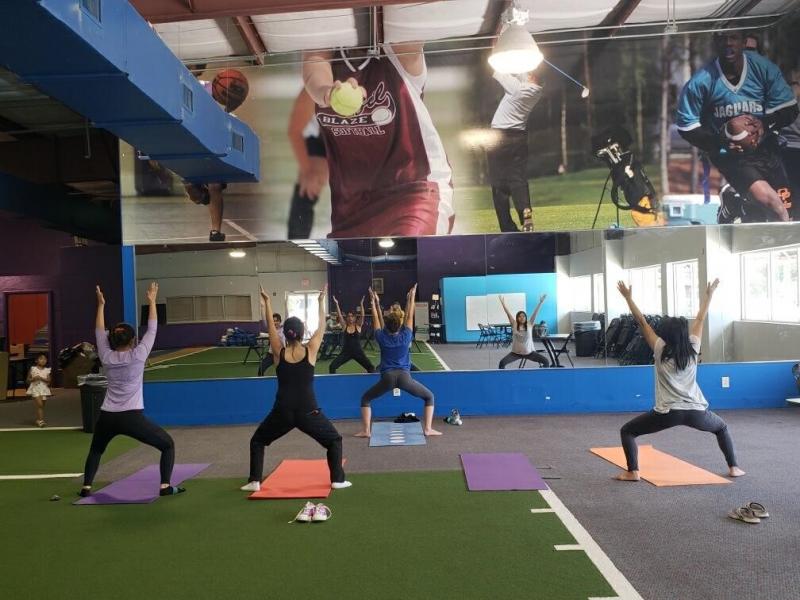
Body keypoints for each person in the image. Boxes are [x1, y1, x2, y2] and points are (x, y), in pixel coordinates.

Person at [302, 44, 454, 238]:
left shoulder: (400, 51)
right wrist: (326, 92)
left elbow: (408, 33)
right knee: (349, 259)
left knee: (410, 250)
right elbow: (314, 64)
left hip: (415, 191)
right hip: (351, 206)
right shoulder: (326, 50)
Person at [614, 279, 745, 482]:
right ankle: (734, 467)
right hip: (696, 411)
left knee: (628, 431)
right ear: (684, 333)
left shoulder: (659, 348)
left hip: (668, 413)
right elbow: (700, 319)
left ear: (665, 334)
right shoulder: (693, 347)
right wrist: (709, 295)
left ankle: (633, 471)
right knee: (721, 428)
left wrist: (628, 298)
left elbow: (642, 322)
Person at [676, 30, 799, 222]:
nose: (728, 43)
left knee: (786, 212)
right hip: (729, 156)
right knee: (774, 205)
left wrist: (764, 124)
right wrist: (719, 142)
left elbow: (790, 109)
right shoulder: (701, 81)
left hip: (766, 149)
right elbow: (686, 127)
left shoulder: (764, 69)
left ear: (743, 42)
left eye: (733, 37)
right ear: (715, 42)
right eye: (723, 38)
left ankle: (736, 203)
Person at [241, 285, 351, 492]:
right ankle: (337, 480)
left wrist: (267, 303)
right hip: (308, 411)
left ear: (286, 333)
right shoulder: (311, 350)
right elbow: (321, 326)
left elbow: (271, 328)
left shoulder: (278, 352)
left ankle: (255, 481)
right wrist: (320, 302)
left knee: (258, 441)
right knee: (334, 440)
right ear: (302, 333)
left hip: (282, 411)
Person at [80, 283, 185, 498]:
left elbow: (99, 331)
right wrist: (152, 301)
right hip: (131, 417)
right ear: (133, 340)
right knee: (167, 445)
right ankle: (165, 486)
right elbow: (152, 328)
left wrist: (100, 305)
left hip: (107, 416)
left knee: (96, 449)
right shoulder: (138, 355)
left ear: (111, 340)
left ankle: (86, 487)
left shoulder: (106, 356)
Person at [357, 284, 441, 437]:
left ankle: (366, 431)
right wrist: (411, 297)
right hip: (404, 377)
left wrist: (374, 302)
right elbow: (409, 316)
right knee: (429, 397)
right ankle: (428, 429)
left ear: (387, 326)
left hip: (387, 378)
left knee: (365, 399)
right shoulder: (406, 336)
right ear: (399, 325)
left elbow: (376, 318)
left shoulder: (381, 337)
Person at [184, 66, 248, 242]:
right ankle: (200, 195)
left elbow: (230, 122)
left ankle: (215, 231)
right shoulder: (196, 88)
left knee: (215, 186)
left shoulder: (225, 105)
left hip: (213, 144)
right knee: (193, 190)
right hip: (192, 142)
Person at [488, 70, 543, 232]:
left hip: (498, 138)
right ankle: (525, 214)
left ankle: (507, 227)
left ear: (532, 77)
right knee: (518, 179)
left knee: (498, 183)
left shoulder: (517, 89)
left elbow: (497, 71)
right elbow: (520, 74)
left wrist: (496, 53)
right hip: (518, 137)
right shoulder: (537, 91)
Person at [287, 89, 329, 239]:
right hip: (322, 138)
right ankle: (297, 243)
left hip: (357, 138)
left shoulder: (369, 85)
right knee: (309, 186)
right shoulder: (311, 90)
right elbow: (294, 131)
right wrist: (308, 171)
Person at [497, 295, 550, 369]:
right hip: (515, 353)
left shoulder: (530, 324)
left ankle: (542, 375)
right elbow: (508, 313)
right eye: (520, 316)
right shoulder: (514, 324)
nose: (522, 318)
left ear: (526, 317)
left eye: (523, 316)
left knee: (546, 362)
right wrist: (503, 303)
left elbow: (535, 313)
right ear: (517, 318)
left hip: (530, 353)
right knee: (502, 363)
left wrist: (540, 302)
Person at [329, 296, 375, 374]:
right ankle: (333, 381)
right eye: (348, 316)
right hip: (346, 353)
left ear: (354, 318)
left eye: (352, 316)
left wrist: (361, 304)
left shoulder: (358, 326)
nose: (350, 318)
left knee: (371, 368)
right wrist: (336, 304)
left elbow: (362, 315)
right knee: (332, 366)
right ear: (346, 318)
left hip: (358, 352)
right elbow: (340, 315)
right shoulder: (344, 326)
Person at [26, 353, 51, 428]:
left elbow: (49, 381)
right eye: (41, 359)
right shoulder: (33, 369)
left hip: (43, 389)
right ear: (36, 360)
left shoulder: (47, 370)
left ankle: (38, 420)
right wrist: (33, 379)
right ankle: (41, 421)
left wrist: (41, 378)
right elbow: (27, 380)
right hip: (35, 388)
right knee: (40, 405)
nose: (43, 360)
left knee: (41, 406)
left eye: (45, 359)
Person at [258, 306, 284, 376]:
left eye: (276, 321)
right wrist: (262, 308)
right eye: (273, 321)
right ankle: (261, 381)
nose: (275, 323)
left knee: (283, 372)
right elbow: (264, 320)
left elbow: (287, 317)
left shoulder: (283, 330)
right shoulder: (271, 329)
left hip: (281, 354)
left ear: (280, 321)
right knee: (261, 369)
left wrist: (286, 305)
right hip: (271, 354)